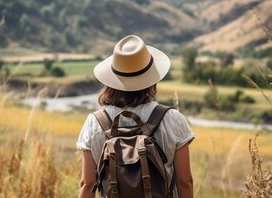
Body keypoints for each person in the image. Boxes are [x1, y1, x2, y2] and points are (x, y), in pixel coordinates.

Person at [77, 35, 195, 198]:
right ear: (151, 78)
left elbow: (87, 184)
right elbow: (185, 182)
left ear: (112, 80)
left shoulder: (94, 122)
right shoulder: (172, 119)